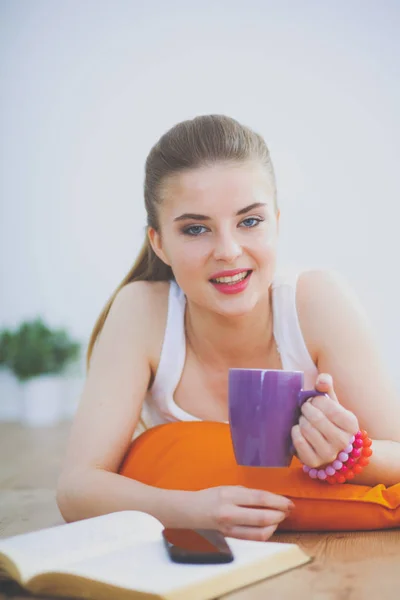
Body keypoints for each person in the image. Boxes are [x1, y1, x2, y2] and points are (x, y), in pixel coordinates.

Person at [56, 114, 400, 541]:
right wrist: (191, 510)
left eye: (250, 221)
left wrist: (344, 454)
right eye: (196, 229)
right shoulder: (141, 312)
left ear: (276, 221)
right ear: (158, 242)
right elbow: (76, 489)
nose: (229, 251)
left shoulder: (317, 302)